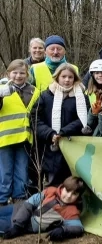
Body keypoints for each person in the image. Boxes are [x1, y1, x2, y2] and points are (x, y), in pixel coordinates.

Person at [31, 64, 89, 186]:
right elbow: (35, 118)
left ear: (75, 79)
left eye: (70, 77)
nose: (67, 80)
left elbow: (84, 120)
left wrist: (63, 132)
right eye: (64, 76)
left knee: (72, 184)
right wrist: (50, 134)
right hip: (50, 148)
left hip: (73, 145)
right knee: (52, 184)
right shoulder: (45, 96)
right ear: (57, 77)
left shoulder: (82, 97)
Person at [0, 60, 39, 205]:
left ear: (27, 74)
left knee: (22, 172)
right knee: (5, 172)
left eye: (22, 73)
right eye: (14, 73)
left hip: (24, 139)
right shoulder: (2, 89)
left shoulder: (34, 91)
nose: (18, 76)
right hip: (4, 139)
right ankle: (2, 200)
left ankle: (19, 199)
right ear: (8, 74)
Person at [0, 176, 86, 241]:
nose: (68, 196)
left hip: (25, 225)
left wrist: (63, 230)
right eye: (67, 190)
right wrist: (18, 225)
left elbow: (78, 228)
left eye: (74, 194)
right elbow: (30, 202)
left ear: (78, 196)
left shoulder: (71, 211)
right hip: (18, 210)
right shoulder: (51, 191)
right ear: (63, 187)